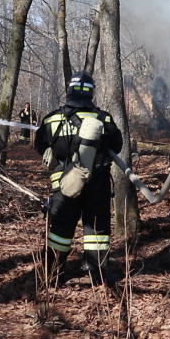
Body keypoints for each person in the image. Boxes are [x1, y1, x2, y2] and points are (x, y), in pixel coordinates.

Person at [34, 71, 124, 286]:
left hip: (65, 184)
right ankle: (98, 276)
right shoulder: (103, 118)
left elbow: (40, 145)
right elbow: (117, 146)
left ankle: (52, 275)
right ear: (91, 92)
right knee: (97, 229)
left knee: (61, 229)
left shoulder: (52, 118)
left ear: (70, 90)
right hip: (98, 182)